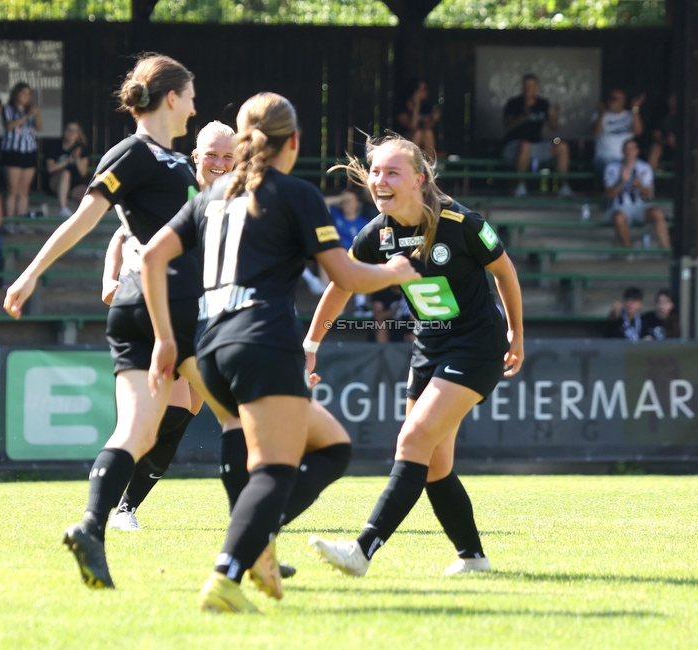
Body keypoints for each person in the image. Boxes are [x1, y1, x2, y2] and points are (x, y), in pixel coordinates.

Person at [139, 92, 418, 613]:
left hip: (211, 350)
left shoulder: (213, 194)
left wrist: (165, 339)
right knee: (274, 471)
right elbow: (347, 275)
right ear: (294, 142)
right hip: (262, 340)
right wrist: (395, 272)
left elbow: (152, 256)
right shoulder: (293, 192)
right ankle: (228, 574)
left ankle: (256, 543)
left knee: (331, 445)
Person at [2, 54, 219, 591]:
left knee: (139, 430)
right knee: (242, 421)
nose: (194, 106)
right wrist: (31, 275)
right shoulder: (137, 153)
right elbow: (85, 219)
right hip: (157, 306)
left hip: (157, 305)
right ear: (170, 98)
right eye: (190, 95)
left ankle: (92, 528)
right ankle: (251, 550)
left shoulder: (174, 163)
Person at [305, 134, 525, 579]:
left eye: (392, 172)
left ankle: (361, 552)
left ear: (419, 180)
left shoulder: (461, 223)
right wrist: (310, 347)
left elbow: (504, 270)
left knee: (411, 443)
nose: (379, 181)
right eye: (375, 173)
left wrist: (516, 334)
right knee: (433, 465)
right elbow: (341, 287)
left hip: (477, 346)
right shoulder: (377, 234)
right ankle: (473, 558)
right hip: (429, 347)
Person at [105, 119, 236, 532]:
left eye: (227, 156)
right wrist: (111, 278)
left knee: (183, 418)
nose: (219, 162)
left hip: (206, 320)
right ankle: (108, 504)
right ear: (195, 156)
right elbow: (124, 232)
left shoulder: (235, 200)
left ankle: (125, 506)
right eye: (211, 154)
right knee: (174, 412)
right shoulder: (178, 190)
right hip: (165, 314)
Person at [502, 73, 572, 198]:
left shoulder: (542, 104)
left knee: (562, 146)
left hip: (536, 146)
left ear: (537, 87)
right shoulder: (513, 103)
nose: (528, 88)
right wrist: (523, 117)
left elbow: (554, 127)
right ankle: (521, 187)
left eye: (532, 86)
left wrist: (552, 114)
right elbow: (507, 127)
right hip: (514, 147)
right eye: (526, 86)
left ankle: (564, 187)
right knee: (525, 145)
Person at [604, 139, 669, 250]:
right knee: (618, 218)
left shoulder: (645, 168)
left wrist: (639, 186)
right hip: (620, 206)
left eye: (632, 149)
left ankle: (666, 250)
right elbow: (609, 195)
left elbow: (649, 196)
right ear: (623, 152)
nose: (629, 152)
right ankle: (628, 251)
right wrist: (622, 182)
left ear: (637, 151)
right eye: (627, 149)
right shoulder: (612, 168)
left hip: (640, 206)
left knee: (658, 214)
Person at [324, 189, 373, 317]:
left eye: (348, 201)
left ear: (357, 203)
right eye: (343, 202)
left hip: (356, 259)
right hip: (337, 256)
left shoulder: (364, 223)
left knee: (362, 259)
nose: (344, 204)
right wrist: (340, 198)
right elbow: (321, 204)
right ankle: (336, 305)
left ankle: (360, 305)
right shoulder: (336, 215)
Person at [1, 82, 43, 218]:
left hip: (29, 151)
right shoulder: (8, 109)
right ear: (16, 94)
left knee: (24, 191)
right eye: (24, 93)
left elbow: (39, 127)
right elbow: (9, 126)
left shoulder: (31, 109)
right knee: (12, 190)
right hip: (13, 151)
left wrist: (36, 115)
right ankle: (9, 221)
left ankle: (21, 221)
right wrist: (26, 116)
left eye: (29, 94)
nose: (27, 96)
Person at [592, 89, 644, 173]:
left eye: (617, 99)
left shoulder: (629, 115)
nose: (614, 101)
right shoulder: (601, 115)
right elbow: (596, 131)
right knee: (616, 169)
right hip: (605, 157)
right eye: (612, 98)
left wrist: (635, 109)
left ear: (624, 101)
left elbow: (638, 132)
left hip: (626, 157)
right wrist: (601, 113)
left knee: (642, 168)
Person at [45, 123, 90, 217]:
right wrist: (68, 160)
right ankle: (63, 208)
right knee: (66, 173)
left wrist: (77, 158)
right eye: (69, 130)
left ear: (78, 135)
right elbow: (50, 168)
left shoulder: (81, 149)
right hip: (57, 181)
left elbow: (83, 173)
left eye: (74, 131)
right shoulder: (55, 146)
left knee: (87, 193)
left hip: (74, 184)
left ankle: (77, 217)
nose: (71, 133)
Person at [396, 78, 440, 159]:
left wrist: (433, 120)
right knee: (418, 133)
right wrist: (416, 105)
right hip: (404, 142)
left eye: (424, 89)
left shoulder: (426, 107)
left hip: (422, 144)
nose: (423, 92)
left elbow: (426, 127)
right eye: (420, 89)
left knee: (428, 133)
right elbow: (412, 126)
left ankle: (430, 166)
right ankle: (411, 163)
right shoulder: (402, 106)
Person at [648, 92, 677, 171]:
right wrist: (666, 140)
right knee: (655, 148)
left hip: (682, 147)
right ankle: (651, 178)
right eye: (672, 98)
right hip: (664, 146)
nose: (674, 101)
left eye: (676, 99)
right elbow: (655, 135)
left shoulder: (686, 116)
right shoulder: (661, 115)